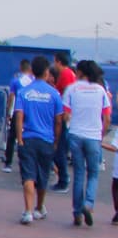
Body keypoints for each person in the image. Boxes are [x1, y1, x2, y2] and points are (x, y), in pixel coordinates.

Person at [12, 56, 62, 225]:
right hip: (46, 140)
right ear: (47, 72)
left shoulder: (23, 92)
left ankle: (28, 211)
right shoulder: (54, 94)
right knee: (43, 176)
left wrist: (19, 138)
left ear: (32, 71)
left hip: (28, 139)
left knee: (28, 175)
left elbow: (19, 115)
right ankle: (39, 207)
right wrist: (55, 140)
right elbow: (58, 120)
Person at [62, 60, 111, 226]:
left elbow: (66, 115)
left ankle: (77, 213)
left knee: (79, 174)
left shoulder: (72, 89)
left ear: (81, 73)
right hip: (93, 136)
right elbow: (107, 117)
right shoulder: (100, 90)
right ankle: (88, 205)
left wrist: (70, 127)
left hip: (76, 134)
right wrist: (101, 133)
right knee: (94, 173)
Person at [50, 50, 76, 191]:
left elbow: (65, 94)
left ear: (59, 61)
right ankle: (63, 178)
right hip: (64, 116)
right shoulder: (69, 74)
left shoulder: (65, 74)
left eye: (55, 61)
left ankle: (63, 180)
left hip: (63, 117)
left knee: (59, 149)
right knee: (59, 149)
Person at [2, 59, 33, 173]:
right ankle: (26, 162)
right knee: (27, 137)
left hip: (17, 111)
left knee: (12, 137)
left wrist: (8, 111)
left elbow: (11, 97)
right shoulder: (33, 81)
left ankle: (8, 163)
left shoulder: (16, 81)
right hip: (29, 112)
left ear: (21, 68)